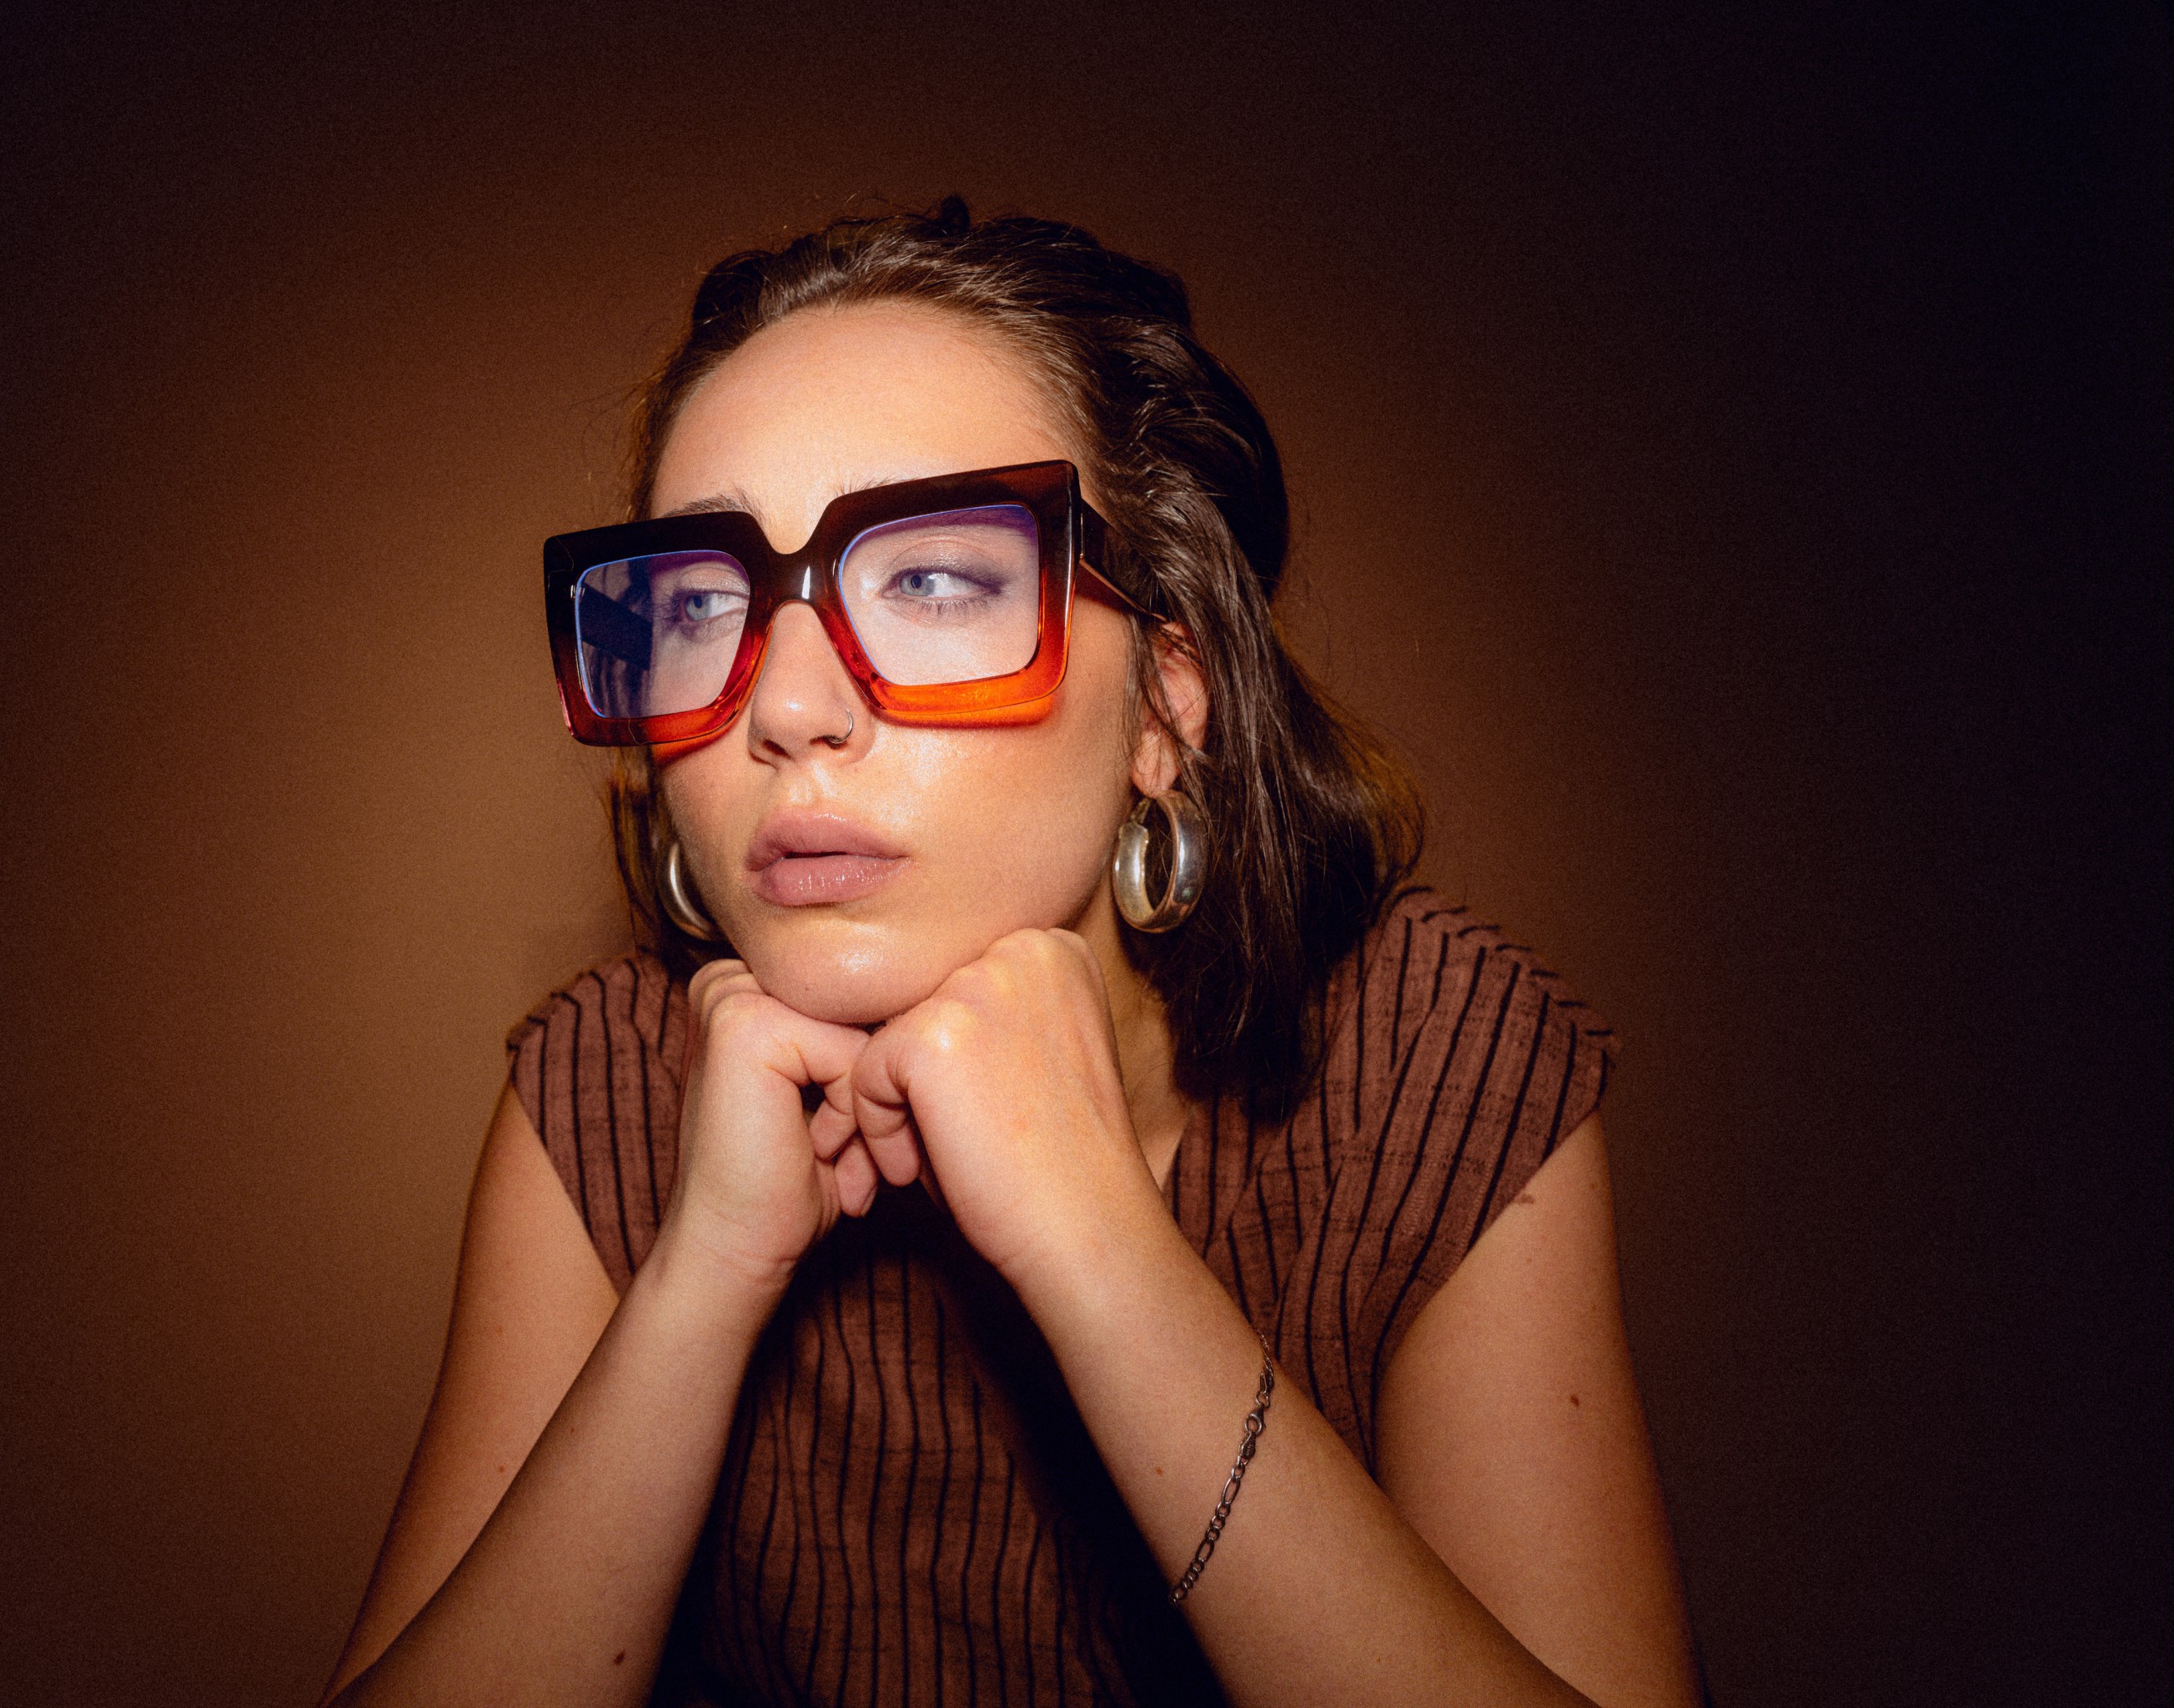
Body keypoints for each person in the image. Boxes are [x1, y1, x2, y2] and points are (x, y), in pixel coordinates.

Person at [321, 201, 1700, 1707]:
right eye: (703, 606)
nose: (784, 708)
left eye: (931, 580)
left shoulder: (1431, 1061)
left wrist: (1098, 1247)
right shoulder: (602, 1087)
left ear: (1166, 704)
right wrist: (701, 1278)